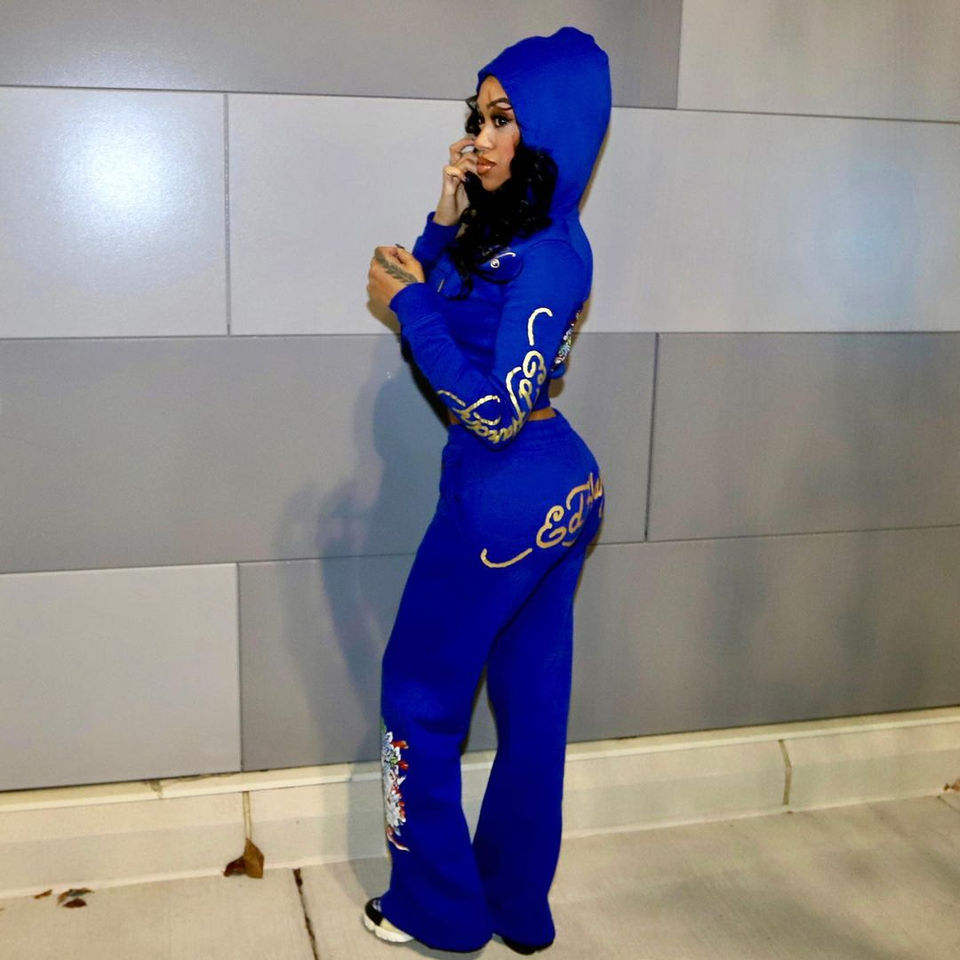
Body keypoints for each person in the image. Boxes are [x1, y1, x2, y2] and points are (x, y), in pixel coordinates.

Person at [364, 26, 611, 955]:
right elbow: (453, 294)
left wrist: (408, 307)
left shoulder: (551, 254)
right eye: (477, 115)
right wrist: (443, 220)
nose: (479, 135)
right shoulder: (513, 231)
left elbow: (496, 411)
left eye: (503, 119)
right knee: (533, 709)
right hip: (552, 490)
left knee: (417, 698)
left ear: (553, 133)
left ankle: (440, 910)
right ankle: (515, 905)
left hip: (504, 491)